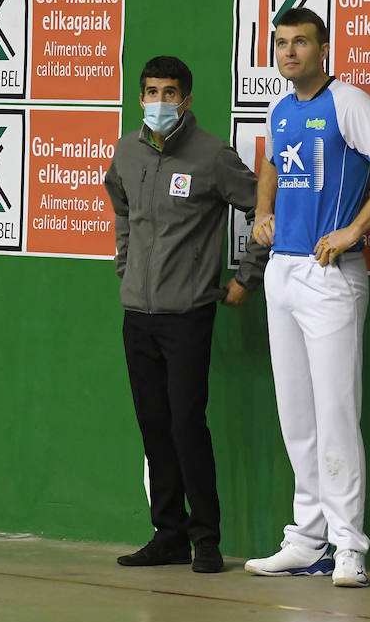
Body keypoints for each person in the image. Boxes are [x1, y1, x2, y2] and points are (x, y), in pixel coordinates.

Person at [242, 8, 370, 588]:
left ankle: (348, 545)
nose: (289, 52)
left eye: (301, 43)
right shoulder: (280, 107)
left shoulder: (348, 101)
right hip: (282, 272)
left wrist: (356, 229)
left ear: (324, 47)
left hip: (330, 274)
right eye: (282, 43)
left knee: (337, 413)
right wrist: (263, 212)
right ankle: (306, 538)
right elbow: (270, 163)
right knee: (296, 416)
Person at [104, 55, 269, 574]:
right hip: (139, 314)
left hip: (188, 314)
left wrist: (246, 276)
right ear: (140, 97)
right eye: (151, 92)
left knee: (185, 423)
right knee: (153, 424)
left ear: (187, 100)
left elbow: (264, 211)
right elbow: (123, 207)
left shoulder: (212, 156)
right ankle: (168, 532)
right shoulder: (127, 151)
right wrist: (125, 263)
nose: (159, 102)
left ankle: (206, 537)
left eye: (169, 93)